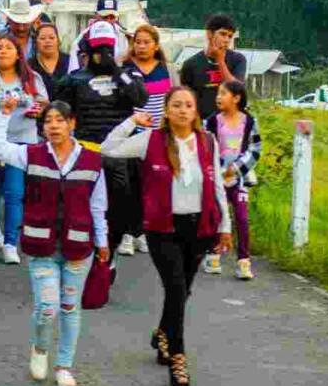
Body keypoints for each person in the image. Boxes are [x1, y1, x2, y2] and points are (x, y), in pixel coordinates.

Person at [102, 87, 233, 386]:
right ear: (167, 111)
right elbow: (109, 148)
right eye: (176, 105)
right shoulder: (150, 140)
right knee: (175, 288)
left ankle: (163, 332)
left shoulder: (207, 141)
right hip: (162, 229)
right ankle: (178, 356)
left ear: (195, 111)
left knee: (183, 290)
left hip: (199, 227)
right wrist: (132, 121)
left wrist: (225, 226)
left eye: (188, 105)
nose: (183, 110)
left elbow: (216, 186)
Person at [0, 98, 108, 386]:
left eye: (59, 120)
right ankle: (40, 349)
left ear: (72, 123)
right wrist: (5, 114)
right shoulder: (32, 155)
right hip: (41, 245)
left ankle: (64, 366)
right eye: (48, 121)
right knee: (47, 307)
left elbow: (97, 204)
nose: (53, 126)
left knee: (69, 307)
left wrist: (102, 240)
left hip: (79, 246)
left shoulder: (92, 160)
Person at [55, 23, 148, 260]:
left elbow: (141, 98)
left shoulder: (128, 75)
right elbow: (60, 115)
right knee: (83, 212)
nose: (103, 54)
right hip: (86, 153)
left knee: (117, 215)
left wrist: (116, 70)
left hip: (119, 156)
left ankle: (108, 258)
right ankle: (81, 255)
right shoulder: (74, 79)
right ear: (88, 49)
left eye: (107, 48)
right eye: (98, 49)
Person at [0, 33, 49, 265]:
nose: (3, 51)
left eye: (8, 47)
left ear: (18, 54)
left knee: (15, 193)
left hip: (23, 141)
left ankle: (10, 243)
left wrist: (38, 109)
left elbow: (43, 102)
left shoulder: (31, 78)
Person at [120, 24, 178, 256]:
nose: (141, 46)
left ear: (156, 45)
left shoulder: (167, 70)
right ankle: (127, 233)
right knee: (130, 185)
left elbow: (174, 100)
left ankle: (142, 232)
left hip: (158, 135)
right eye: (138, 42)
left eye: (146, 42)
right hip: (132, 134)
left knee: (151, 186)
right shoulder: (125, 69)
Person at [202, 80, 261, 280]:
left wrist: (235, 168)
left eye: (223, 93)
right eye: (218, 93)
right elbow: (205, 147)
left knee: (242, 217)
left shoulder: (249, 122)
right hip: (216, 178)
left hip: (239, 178)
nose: (218, 97)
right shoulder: (212, 121)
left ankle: (243, 260)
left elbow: (255, 149)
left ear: (236, 98)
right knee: (216, 215)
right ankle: (213, 254)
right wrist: (217, 170)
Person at [178, 13, 246, 120]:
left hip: (230, 123)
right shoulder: (191, 64)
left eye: (230, 36)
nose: (227, 40)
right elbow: (186, 99)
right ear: (209, 34)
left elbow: (236, 90)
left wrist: (220, 60)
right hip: (202, 123)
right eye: (223, 34)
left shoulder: (238, 60)